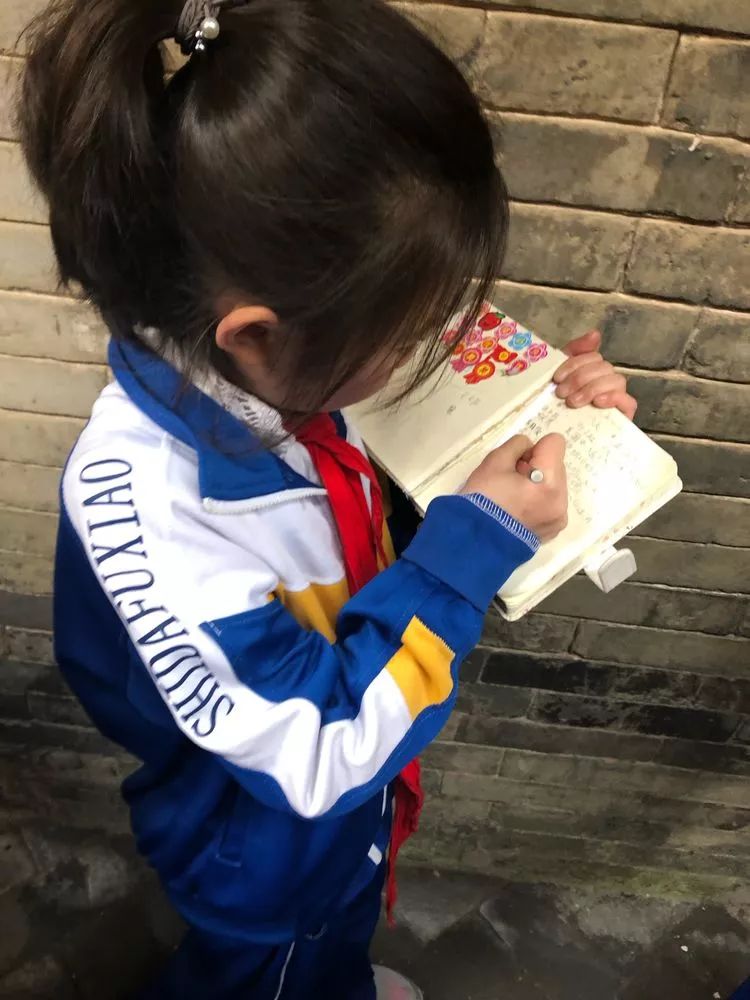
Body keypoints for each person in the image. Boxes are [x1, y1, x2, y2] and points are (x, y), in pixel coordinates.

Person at [18, 0, 636, 996]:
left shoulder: (270, 378)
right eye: (405, 331)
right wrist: (474, 544)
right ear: (257, 334)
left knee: (338, 944)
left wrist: (535, 413)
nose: (422, 351)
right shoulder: (160, 510)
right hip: (267, 867)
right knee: (266, 975)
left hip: (341, 830)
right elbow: (316, 751)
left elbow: (348, 499)